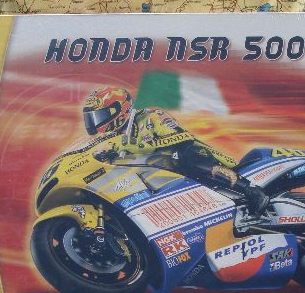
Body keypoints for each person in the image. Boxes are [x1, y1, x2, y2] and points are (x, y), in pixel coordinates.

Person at [82, 86, 269, 215]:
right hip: (165, 181)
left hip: (195, 160)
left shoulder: (152, 116)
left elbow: (182, 138)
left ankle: (251, 190)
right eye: (93, 118)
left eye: (100, 115)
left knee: (184, 154)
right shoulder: (115, 141)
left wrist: (134, 147)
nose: (97, 122)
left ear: (119, 109)